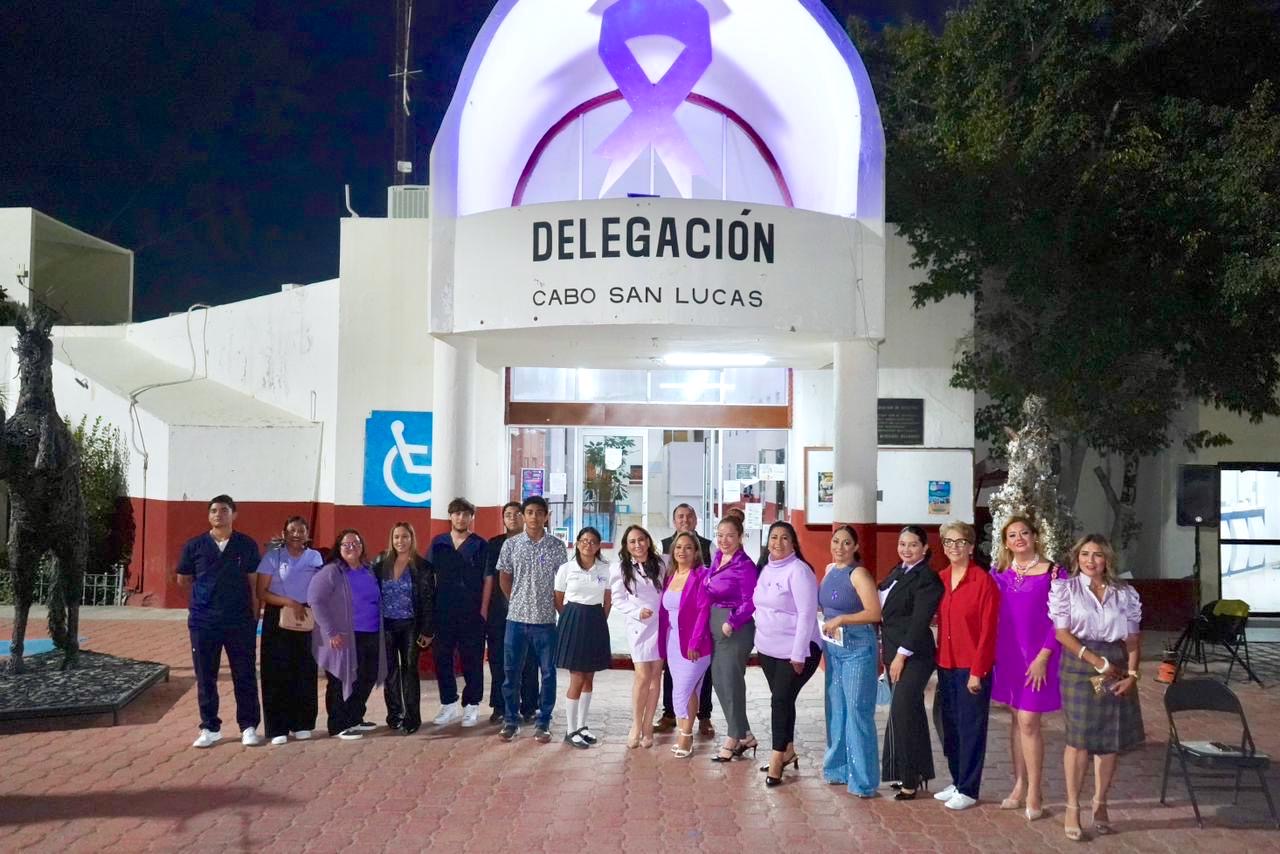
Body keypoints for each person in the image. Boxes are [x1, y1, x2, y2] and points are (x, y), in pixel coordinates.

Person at [1052, 534, 1144, 841]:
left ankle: (1100, 802)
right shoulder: (1066, 589)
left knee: (1108, 738)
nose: (1091, 561)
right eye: (1085, 554)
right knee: (1078, 739)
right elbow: (1062, 634)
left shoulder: (1125, 593)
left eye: (1098, 555)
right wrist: (1095, 661)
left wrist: (1132, 675)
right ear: (1077, 557)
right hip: (1080, 664)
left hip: (1116, 664)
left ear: (1108, 559)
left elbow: (1132, 639)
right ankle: (1072, 806)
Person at [991, 515, 1068, 820]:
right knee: (1015, 720)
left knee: (1028, 721)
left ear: (1036, 536)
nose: (1019, 538)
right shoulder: (999, 574)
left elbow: (1061, 620)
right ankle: (1019, 785)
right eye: (1012, 535)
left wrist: (1044, 657)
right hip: (1008, 656)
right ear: (1005, 542)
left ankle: (1036, 791)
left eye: (1024, 533)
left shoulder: (1054, 573)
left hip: (1040, 658)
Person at [178, 494, 263, 749]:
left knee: (245, 675)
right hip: (204, 623)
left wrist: (255, 615)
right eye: (214, 510)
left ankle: (248, 726)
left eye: (224, 510)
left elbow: (254, 581)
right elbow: (184, 579)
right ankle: (210, 728)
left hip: (239, 621)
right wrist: (201, 601)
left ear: (234, 514)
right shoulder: (195, 546)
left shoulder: (245, 544)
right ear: (209, 515)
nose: (219, 514)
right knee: (206, 677)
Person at [932, 521, 1000, 811]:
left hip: (971, 668)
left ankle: (969, 788)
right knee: (948, 725)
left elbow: (988, 632)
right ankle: (958, 779)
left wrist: (977, 671)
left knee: (970, 728)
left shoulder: (983, 582)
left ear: (971, 547)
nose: (954, 547)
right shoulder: (941, 578)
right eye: (948, 542)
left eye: (960, 542)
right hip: (945, 664)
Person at [754, 521, 823, 787]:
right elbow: (758, 605)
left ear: (793, 542)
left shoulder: (799, 571)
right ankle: (789, 749)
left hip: (797, 651)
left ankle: (776, 758)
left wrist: (798, 653)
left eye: (785, 538)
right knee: (783, 699)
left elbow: (807, 615)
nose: (778, 543)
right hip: (767, 649)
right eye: (774, 537)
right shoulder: (765, 568)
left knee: (779, 702)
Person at [879, 524, 944, 799]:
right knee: (909, 712)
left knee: (904, 710)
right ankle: (912, 773)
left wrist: (900, 657)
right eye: (902, 544)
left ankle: (909, 778)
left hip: (914, 654)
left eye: (913, 545)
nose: (906, 549)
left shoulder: (926, 578)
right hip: (893, 650)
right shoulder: (897, 571)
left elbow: (919, 622)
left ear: (925, 548)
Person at [496, 495, 569, 743]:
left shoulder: (557, 547)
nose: (534, 517)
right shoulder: (511, 545)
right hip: (515, 620)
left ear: (546, 516)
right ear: (523, 516)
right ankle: (511, 720)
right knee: (511, 673)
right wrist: (516, 599)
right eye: (529, 512)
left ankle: (544, 722)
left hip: (546, 622)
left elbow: (562, 584)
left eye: (539, 512)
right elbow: (504, 578)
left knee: (548, 674)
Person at [820, 525, 882, 797]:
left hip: (858, 647)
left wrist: (843, 619)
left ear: (856, 547)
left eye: (847, 543)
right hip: (834, 647)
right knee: (836, 709)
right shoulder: (829, 570)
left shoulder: (859, 574)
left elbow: (874, 613)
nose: (840, 547)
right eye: (836, 541)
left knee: (857, 712)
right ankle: (837, 769)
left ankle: (864, 781)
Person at [309, 528, 386, 740]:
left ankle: (354, 717)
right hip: (343, 636)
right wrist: (331, 631)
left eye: (356, 543)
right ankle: (337, 724)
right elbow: (315, 600)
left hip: (370, 633)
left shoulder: (368, 569)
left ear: (362, 547)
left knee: (366, 677)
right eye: (347, 544)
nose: (352, 547)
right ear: (339, 548)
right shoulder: (332, 571)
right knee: (340, 679)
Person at [256, 515, 324, 745]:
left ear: (307, 535)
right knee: (276, 672)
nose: (296, 534)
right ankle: (278, 727)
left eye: (301, 530)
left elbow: (321, 585)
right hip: (278, 617)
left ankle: (302, 723)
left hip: (305, 617)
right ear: (284, 533)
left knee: (304, 670)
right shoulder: (272, 557)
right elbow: (262, 593)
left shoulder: (315, 557)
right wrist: (288, 602)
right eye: (292, 530)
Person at [429, 498, 489, 728]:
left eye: (465, 514)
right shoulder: (439, 543)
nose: (461, 518)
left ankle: (472, 706)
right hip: (443, 610)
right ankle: (448, 703)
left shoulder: (480, 545)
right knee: (442, 658)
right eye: (456, 514)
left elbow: (488, 579)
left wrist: (483, 610)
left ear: (471, 518)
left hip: (471, 611)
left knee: (471, 659)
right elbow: (428, 575)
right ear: (450, 516)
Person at [706, 515, 761, 763]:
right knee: (719, 681)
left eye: (729, 535)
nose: (724, 540)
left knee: (731, 682)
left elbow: (751, 601)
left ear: (740, 537)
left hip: (735, 630)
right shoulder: (717, 559)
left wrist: (733, 621)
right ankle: (745, 736)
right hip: (715, 626)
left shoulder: (745, 565)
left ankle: (732, 737)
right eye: (720, 535)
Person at [657, 504, 715, 736]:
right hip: (673, 631)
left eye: (689, 516)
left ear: (696, 520)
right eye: (680, 516)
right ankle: (670, 714)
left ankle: (704, 717)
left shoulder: (708, 546)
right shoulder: (662, 546)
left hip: (697, 631)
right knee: (672, 675)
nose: (685, 519)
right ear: (674, 521)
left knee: (701, 677)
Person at [372, 522, 435, 734]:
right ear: (392, 539)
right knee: (390, 672)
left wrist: (427, 631)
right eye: (397, 537)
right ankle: (394, 714)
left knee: (409, 671)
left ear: (412, 538)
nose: (400, 541)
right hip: (386, 626)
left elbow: (428, 601)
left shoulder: (423, 566)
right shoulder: (380, 565)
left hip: (410, 626)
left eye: (405, 537)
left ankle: (412, 718)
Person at [553, 527, 612, 748]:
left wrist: (596, 619)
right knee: (577, 677)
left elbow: (608, 601)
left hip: (595, 620)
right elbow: (558, 599)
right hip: (573, 620)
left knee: (589, 678)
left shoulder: (605, 569)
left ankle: (582, 726)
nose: (588, 544)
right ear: (577, 543)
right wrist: (571, 618)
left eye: (593, 541)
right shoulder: (566, 569)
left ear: (598, 546)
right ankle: (570, 730)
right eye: (584, 541)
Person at [482, 501, 539, 724]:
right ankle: (500, 706)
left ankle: (529, 706)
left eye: (517, 514)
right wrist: (484, 610)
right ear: (503, 519)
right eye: (508, 514)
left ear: (524, 517)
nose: (513, 518)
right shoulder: (494, 544)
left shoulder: (535, 543)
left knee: (529, 660)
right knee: (498, 660)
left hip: (530, 612)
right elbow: (489, 578)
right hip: (499, 612)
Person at [610, 523, 666, 749]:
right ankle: (635, 724)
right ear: (626, 546)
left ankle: (648, 726)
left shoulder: (662, 563)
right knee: (642, 675)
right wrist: (637, 612)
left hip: (661, 624)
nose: (638, 544)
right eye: (632, 541)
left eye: (641, 539)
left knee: (656, 676)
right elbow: (618, 599)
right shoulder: (620, 568)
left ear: (648, 541)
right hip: (638, 626)